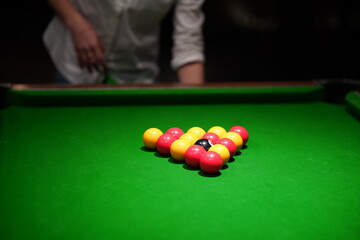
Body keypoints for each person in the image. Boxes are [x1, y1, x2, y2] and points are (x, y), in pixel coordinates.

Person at [43, 0, 205, 84]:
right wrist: (75, 23)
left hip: (137, 77)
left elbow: (188, 43)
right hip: (73, 67)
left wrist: (197, 104)